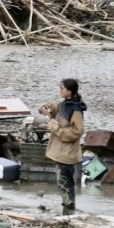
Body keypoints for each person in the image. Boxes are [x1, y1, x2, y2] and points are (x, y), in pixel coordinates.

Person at [39, 79, 87, 216]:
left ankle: (69, 209)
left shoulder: (76, 110)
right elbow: (49, 109)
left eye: (62, 88)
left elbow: (77, 132)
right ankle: (67, 209)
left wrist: (56, 129)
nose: (60, 90)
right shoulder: (63, 105)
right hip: (60, 152)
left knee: (66, 182)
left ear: (70, 91)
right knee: (62, 182)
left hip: (67, 153)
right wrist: (46, 109)